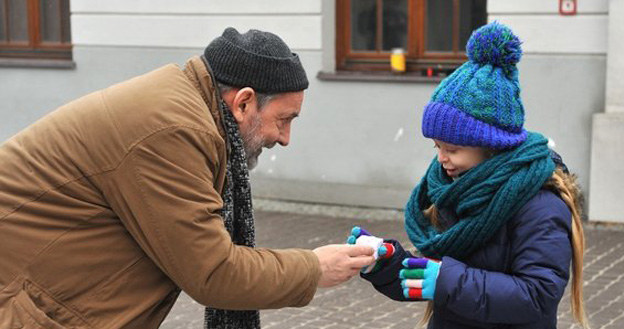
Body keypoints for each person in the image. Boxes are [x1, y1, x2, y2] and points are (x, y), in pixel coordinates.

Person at [0, 27, 375, 329]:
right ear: (243, 103)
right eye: (284, 119)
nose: (285, 138)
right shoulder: (172, 130)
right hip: (25, 308)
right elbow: (213, 272)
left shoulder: (187, 109)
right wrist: (314, 267)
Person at [349, 22, 589, 329]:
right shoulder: (455, 189)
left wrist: (445, 279)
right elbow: (433, 276)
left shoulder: (539, 204)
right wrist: (385, 262)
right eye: (437, 146)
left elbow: (538, 295)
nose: (441, 159)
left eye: (452, 148)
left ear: (490, 146)